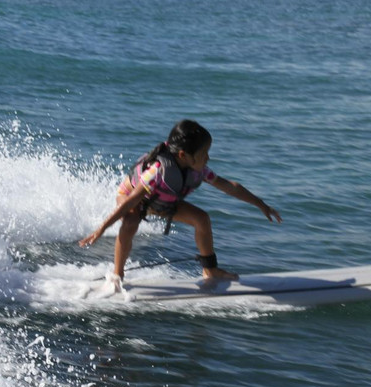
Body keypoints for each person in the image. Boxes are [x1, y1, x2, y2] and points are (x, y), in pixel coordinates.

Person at [79, 119, 282, 285]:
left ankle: (210, 270)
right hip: (134, 196)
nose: (208, 158)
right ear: (184, 155)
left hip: (163, 201)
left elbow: (229, 186)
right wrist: (102, 229)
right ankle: (117, 275)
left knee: (202, 219)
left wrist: (261, 204)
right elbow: (131, 200)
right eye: (204, 154)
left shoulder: (198, 170)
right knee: (131, 221)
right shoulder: (157, 171)